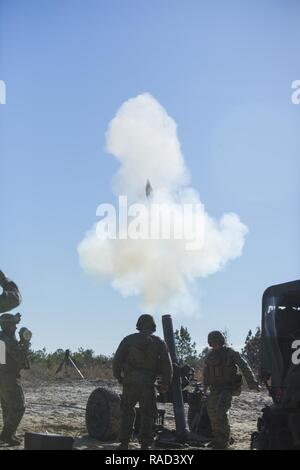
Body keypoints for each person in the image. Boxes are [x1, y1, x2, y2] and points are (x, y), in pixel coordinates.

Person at [113, 314, 173, 450]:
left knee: (127, 412)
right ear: (153, 326)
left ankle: (123, 444)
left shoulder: (128, 340)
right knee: (148, 414)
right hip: (148, 385)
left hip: (130, 383)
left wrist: (119, 377)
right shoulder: (159, 342)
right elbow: (167, 365)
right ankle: (145, 445)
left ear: (139, 325)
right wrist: (165, 383)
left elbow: (117, 360)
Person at [203, 330, 260, 450]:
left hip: (227, 388)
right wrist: (204, 388)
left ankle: (223, 442)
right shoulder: (209, 356)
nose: (215, 344)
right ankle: (219, 439)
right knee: (212, 415)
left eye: (217, 342)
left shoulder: (231, 353)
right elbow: (206, 374)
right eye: (212, 342)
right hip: (214, 389)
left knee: (221, 413)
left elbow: (244, 367)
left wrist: (252, 383)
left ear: (221, 341)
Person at [0, 313, 31, 446]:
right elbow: (19, 358)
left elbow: (4, 358)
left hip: (3, 376)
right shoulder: (8, 339)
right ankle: (6, 435)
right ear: (7, 325)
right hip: (9, 377)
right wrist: (25, 344)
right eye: (13, 324)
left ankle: (10, 434)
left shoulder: (2, 337)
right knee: (19, 407)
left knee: (7, 407)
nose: (15, 327)